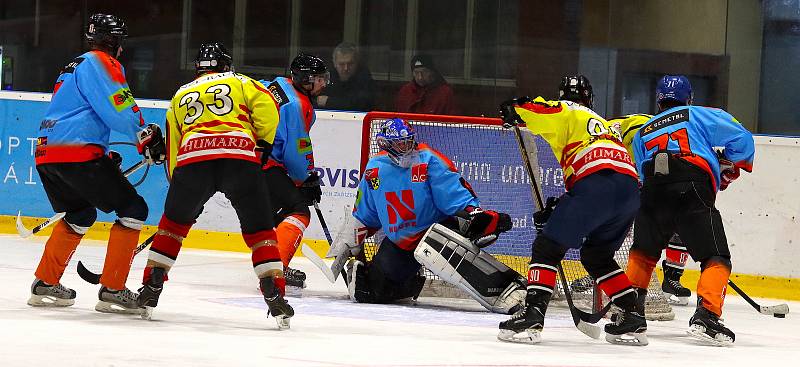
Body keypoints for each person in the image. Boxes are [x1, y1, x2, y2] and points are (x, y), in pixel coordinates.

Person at [136, 43, 292, 329]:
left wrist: (181, 195)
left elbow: (174, 146)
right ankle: (274, 290)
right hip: (239, 158)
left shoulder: (181, 93)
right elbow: (268, 108)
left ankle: (151, 285)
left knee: (172, 227)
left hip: (193, 161)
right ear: (225, 64)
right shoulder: (242, 81)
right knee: (261, 231)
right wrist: (263, 145)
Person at [29, 13, 165, 314]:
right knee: (134, 209)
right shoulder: (103, 62)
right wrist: (144, 135)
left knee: (81, 212)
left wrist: (102, 154)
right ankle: (113, 289)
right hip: (76, 152)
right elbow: (118, 106)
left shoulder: (72, 66)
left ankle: (45, 282)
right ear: (115, 41)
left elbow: (76, 113)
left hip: (46, 152)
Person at [497, 76, 645, 345]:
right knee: (597, 255)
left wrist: (514, 108)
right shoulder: (605, 125)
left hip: (595, 185)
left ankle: (533, 313)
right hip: (629, 191)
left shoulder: (567, 109)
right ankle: (631, 312)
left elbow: (539, 109)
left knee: (547, 247)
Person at [325, 117, 523, 314]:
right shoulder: (374, 169)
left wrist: (476, 214)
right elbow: (366, 213)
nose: (406, 147)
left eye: (408, 141)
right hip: (401, 244)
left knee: (434, 246)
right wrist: (351, 238)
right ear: (384, 143)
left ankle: (507, 289)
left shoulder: (429, 160)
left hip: (436, 231)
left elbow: (455, 194)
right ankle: (409, 282)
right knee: (370, 291)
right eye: (399, 143)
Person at [626, 75, 754, 346]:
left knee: (643, 254)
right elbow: (742, 138)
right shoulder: (698, 114)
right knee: (716, 257)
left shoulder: (643, 131)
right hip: (691, 187)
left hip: (651, 193)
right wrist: (729, 164)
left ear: (658, 100)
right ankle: (707, 315)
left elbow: (639, 173)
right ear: (689, 98)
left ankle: (629, 314)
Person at [257, 53, 329, 288]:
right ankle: (275, 269)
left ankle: (267, 262)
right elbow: (296, 151)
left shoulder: (277, 84)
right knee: (299, 210)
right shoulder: (299, 105)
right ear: (305, 79)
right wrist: (304, 178)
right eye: (318, 79)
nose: (323, 83)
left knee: (273, 215)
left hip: (248, 157)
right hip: (263, 163)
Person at [314, 42, 376, 111]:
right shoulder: (328, 76)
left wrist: (329, 101)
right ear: (335, 63)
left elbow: (361, 104)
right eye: (341, 64)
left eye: (350, 64)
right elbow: (316, 100)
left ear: (356, 63)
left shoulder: (364, 77)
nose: (346, 68)